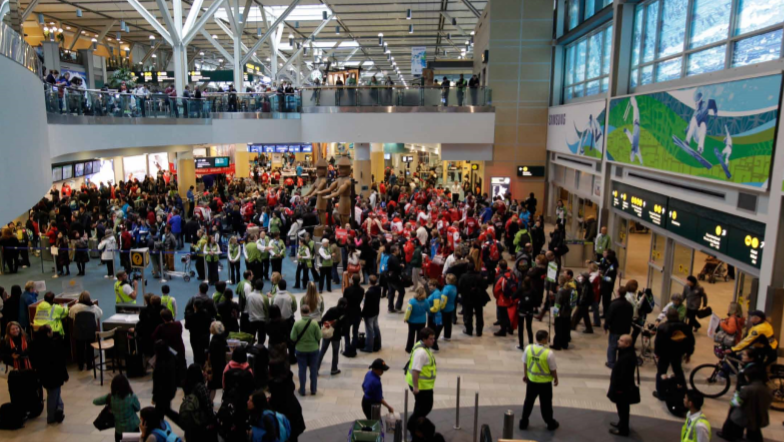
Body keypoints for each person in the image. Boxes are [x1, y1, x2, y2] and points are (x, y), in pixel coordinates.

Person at [519, 330, 559, 431]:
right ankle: (550, 423)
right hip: (545, 383)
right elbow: (553, 369)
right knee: (546, 405)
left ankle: (523, 422)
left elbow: (525, 363)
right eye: (547, 338)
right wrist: (556, 378)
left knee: (528, 402)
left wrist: (525, 375)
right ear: (544, 339)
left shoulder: (528, 348)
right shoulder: (548, 353)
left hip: (532, 381)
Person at [30, 325, 68, 424]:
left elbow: (33, 359)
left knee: (53, 393)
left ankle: (59, 410)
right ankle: (51, 417)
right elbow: (60, 361)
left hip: (43, 374)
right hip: (55, 375)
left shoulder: (34, 344)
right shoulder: (53, 344)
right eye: (51, 330)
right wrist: (65, 375)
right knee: (53, 395)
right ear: (48, 333)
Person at [654, 308, 695, 399]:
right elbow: (690, 341)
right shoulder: (685, 327)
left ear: (667, 316)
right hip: (678, 352)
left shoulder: (663, 327)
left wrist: (657, 353)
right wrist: (689, 353)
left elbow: (658, 342)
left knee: (661, 372)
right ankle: (683, 390)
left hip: (665, 353)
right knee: (678, 370)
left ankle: (661, 393)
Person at [406, 327, 437, 436]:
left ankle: (416, 428)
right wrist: (415, 387)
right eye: (430, 339)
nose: (433, 341)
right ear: (424, 339)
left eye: (433, 338)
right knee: (425, 407)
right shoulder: (421, 353)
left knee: (420, 407)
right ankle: (411, 425)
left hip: (424, 385)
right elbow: (415, 370)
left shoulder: (422, 346)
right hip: (421, 386)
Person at [93, 375, 141, 442]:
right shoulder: (132, 396)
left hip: (119, 430)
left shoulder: (111, 397)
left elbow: (95, 401)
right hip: (133, 427)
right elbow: (138, 408)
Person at [607, 334, 636, 436]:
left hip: (623, 388)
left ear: (627, 344)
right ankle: (621, 424)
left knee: (623, 408)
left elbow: (624, 374)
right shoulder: (625, 352)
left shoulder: (628, 357)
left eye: (621, 340)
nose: (618, 341)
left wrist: (618, 388)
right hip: (621, 386)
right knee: (621, 407)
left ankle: (623, 429)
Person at [179, 363, 217, 442]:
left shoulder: (186, 386)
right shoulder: (201, 388)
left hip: (190, 426)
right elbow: (208, 408)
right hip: (202, 426)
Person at [292, 304, 322, 396]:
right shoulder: (314, 323)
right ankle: (313, 389)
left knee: (302, 369)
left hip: (300, 349)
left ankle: (302, 389)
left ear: (301, 312)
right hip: (313, 349)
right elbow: (319, 336)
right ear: (309, 312)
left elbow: (293, 337)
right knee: (313, 369)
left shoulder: (297, 324)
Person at [68, 291, 103, 370]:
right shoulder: (94, 307)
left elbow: (70, 315)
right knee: (90, 348)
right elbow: (100, 314)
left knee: (79, 349)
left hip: (79, 332)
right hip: (90, 332)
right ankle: (89, 365)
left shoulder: (75, 307)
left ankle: (80, 366)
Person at [185, 284, 216, 366]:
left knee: (196, 352)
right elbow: (214, 313)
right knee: (205, 350)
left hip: (194, 334)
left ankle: (197, 366)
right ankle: (205, 366)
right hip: (205, 333)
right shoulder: (210, 302)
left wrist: (188, 318)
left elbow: (186, 312)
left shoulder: (192, 299)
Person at [151, 340, 180, 424]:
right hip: (170, 390)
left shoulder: (161, 365)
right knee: (165, 410)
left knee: (161, 412)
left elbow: (158, 383)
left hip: (162, 393)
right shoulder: (171, 357)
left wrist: (155, 397)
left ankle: (182, 422)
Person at [604, 287, 633, 368]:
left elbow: (609, 316)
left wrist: (606, 326)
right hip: (625, 329)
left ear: (618, 293)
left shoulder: (614, 304)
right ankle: (620, 362)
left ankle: (611, 363)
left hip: (615, 329)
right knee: (623, 347)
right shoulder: (629, 305)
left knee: (612, 346)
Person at [318, 297, 347, 375]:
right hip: (336, 335)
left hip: (327, 333)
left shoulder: (331, 310)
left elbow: (323, 319)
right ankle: (334, 369)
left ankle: (316, 369)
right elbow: (344, 326)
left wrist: (327, 325)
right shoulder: (344, 314)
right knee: (335, 353)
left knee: (322, 351)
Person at [460, 263, 487, 336]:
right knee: (479, 315)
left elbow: (460, 286)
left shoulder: (463, 276)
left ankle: (469, 330)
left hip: (467, 298)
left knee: (468, 315)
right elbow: (485, 286)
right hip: (478, 298)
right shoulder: (479, 276)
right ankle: (479, 331)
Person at [342, 273, 364, 356]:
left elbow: (344, 301)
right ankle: (353, 350)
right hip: (357, 312)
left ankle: (347, 349)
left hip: (348, 313)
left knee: (346, 332)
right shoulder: (362, 290)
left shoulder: (347, 290)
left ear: (352, 280)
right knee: (355, 332)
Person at [361, 274, 382, 353]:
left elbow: (366, 305)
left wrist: (362, 314)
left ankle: (369, 347)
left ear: (369, 281)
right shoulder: (378, 289)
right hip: (376, 311)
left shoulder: (369, 292)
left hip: (369, 313)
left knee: (369, 330)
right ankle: (378, 344)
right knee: (376, 328)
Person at [405, 287, 429, 354]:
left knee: (411, 335)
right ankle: (418, 348)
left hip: (412, 321)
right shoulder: (426, 301)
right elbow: (428, 310)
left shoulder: (412, 301)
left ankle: (409, 348)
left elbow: (408, 311)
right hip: (422, 321)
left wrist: (406, 318)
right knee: (420, 335)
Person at [207, 321, 227, 399]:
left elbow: (210, 355)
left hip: (214, 366)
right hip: (222, 364)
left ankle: (210, 401)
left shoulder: (214, 341)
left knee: (211, 386)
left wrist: (208, 364)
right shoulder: (223, 338)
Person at [247, 279, 270, 344]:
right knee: (261, 338)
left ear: (254, 286)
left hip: (252, 319)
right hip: (262, 320)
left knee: (251, 337)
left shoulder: (249, 296)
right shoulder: (264, 297)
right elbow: (267, 310)